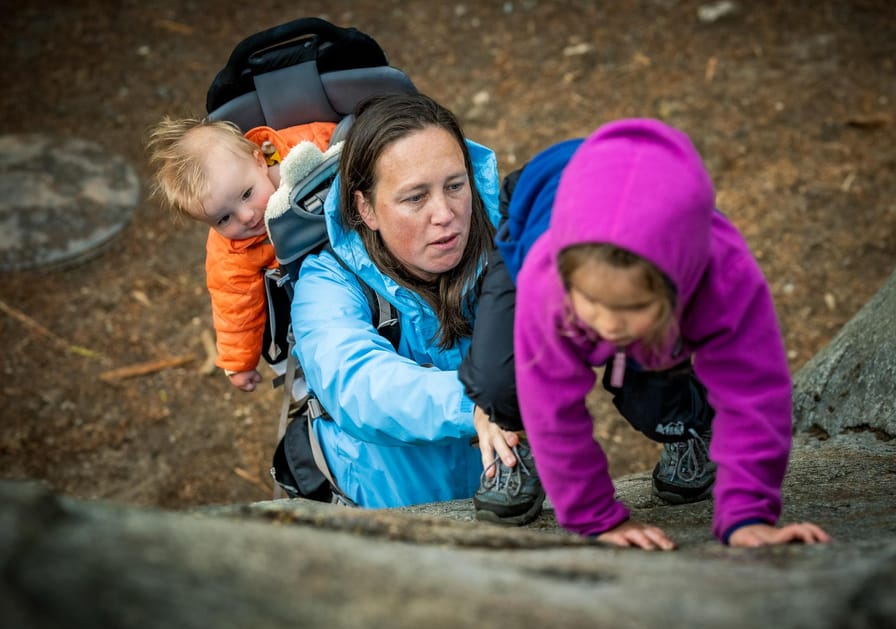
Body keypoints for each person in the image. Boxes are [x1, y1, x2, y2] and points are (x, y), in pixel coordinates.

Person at [510, 119, 832, 548]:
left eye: (632, 307)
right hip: (536, 199)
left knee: (653, 391)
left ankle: (682, 410)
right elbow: (550, 407)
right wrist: (597, 519)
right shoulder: (546, 280)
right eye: (593, 301)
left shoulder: (727, 278)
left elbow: (753, 391)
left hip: (660, 271)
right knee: (500, 385)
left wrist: (748, 514)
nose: (607, 324)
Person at [290, 92, 543, 520]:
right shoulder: (326, 284)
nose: (445, 214)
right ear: (365, 208)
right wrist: (477, 402)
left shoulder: (507, 248)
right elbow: (357, 384)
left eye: (455, 186)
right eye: (415, 198)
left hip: (510, 492)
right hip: (385, 512)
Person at [147, 117, 336, 393]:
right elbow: (234, 309)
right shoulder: (230, 254)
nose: (247, 217)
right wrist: (238, 363)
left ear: (259, 160)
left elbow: (343, 139)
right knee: (298, 372)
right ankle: (310, 395)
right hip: (299, 313)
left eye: (247, 194)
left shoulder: (298, 150)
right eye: (223, 219)